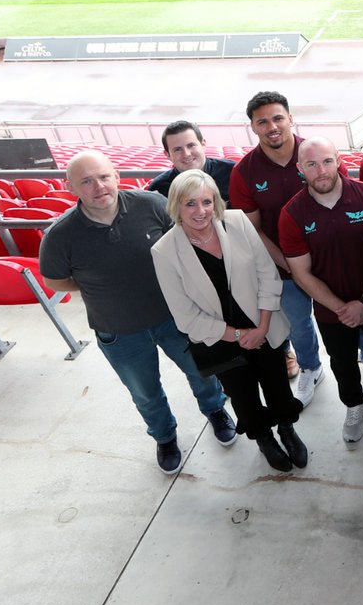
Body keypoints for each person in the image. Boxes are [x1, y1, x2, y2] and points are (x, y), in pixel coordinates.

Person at [39, 150, 233, 475]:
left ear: (116, 176)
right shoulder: (60, 236)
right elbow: (57, 280)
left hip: (176, 318)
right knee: (145, 391)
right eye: (86, 181)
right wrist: (100, 286)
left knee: (203, 369)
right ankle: (165, 437)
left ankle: (215, 411)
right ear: (71, 187)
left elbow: (185, 241)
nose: (98, 186)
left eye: (103, 177)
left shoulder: (151, 204)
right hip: (120, 332)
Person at [151, 170, 308, 472]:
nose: (201, 211)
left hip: (263, 327)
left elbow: (267, 274)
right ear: (176, 206)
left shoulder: (236, 222)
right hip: (219, 342)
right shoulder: (164, 251)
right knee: (244, 397)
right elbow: (185, 317)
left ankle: (286, 429)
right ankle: (263, 438)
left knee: (277, 386)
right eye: (190, 203)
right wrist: (238, 336)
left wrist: (261, 327)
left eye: (207, 201)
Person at [279, 137, 363, 445]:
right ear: (301, 169)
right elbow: (301, 272)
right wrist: (343, 308)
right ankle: (355, 406)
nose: (321, 170)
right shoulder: (293, 213)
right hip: (331, 309)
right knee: (341, 361)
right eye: (311, 164)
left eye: (327, 161)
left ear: (339, 160)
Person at [229, 92, 325, 397]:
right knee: (298, 323)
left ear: (290, 119)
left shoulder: (315, 152)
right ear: (253, 127)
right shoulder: (244, 172)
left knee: (346, 315)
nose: (272, 126)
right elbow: (253, 230)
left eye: (278, 118)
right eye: (263, 121)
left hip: (329, 260)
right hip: (282, 268)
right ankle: (311, 367)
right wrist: (292, 266)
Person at [147, 120, 236, 204]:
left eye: (191, 145)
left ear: (203, 144)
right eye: (177, 149)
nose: (186, 154)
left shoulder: (233, 172)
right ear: (167, 154)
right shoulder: (158, 189)